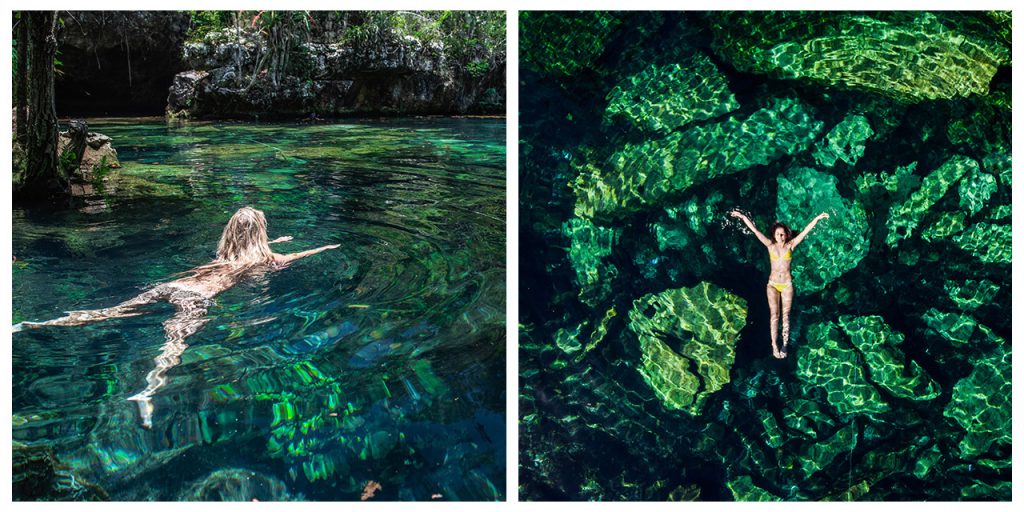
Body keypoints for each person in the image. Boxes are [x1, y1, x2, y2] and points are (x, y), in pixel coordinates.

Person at [14, 207, 340, 428]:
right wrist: (324, 248)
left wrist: (279, 243)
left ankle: (35, 324)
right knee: (175, 342)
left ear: (230, 231)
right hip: (197, 299)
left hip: (172, 285)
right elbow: (291, 257)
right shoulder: (265, 259)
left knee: (110, 312)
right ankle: (149, 388)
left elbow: (248, 248)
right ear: (262, 233)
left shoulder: (223, 254)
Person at [729, 209, 829, 359]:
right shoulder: (770, 246)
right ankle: (774, 345)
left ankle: (785, 345)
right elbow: (755, 231)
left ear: (786, 235)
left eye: (782, 234)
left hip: (787, 284)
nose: (780, 236)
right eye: (777, 234)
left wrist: (818, 218)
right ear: (774, 235)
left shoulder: (791, 245)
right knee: (774, 315)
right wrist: (743, 216)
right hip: (773, 285)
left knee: (786, 315)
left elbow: (805, 232)